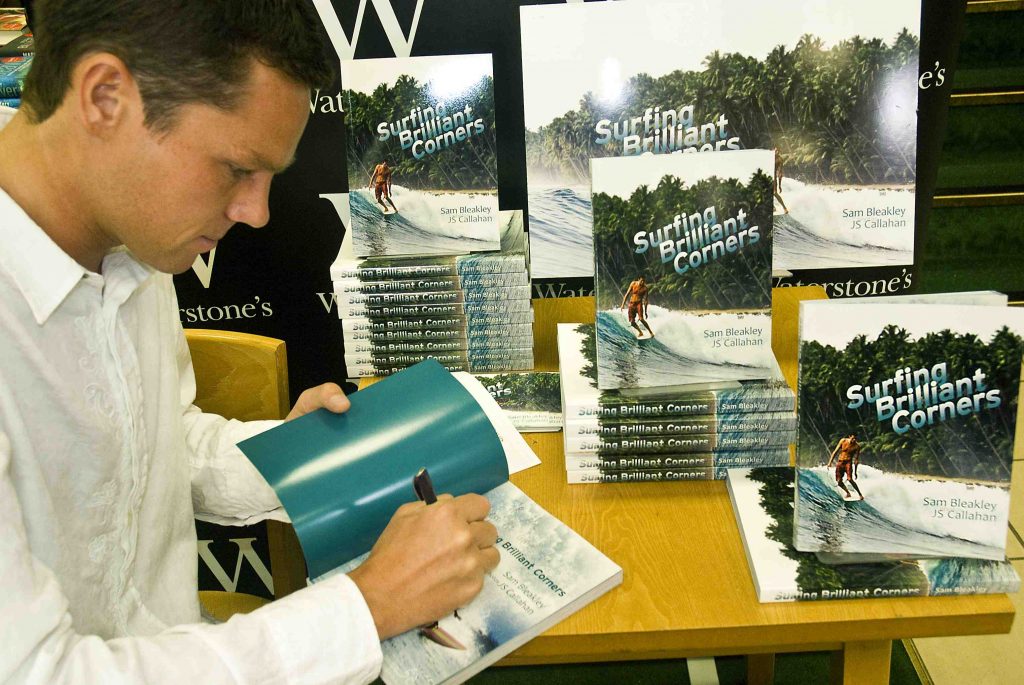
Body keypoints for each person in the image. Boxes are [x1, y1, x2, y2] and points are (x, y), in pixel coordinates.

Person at [0, 2, 497, 683]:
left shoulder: (132, 233)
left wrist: (292, 458)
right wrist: (367, 605)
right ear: (105, 97)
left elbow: (155, 441)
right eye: (237, 168)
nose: (255, 213)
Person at [826, 434, 864, 500]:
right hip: (840, 462)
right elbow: (835, 452)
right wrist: (830, 462)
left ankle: (860, 495)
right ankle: (848, 493)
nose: (854, 440)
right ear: (849, 436)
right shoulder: (843, 441)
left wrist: (855, 472)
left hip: (848, 463)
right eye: (853, 438)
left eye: (855, 439)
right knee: (839, 481)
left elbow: (856, 461)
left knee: (850, 479)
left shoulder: (857, 446)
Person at [773, 147, 789, 215]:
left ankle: (785, 208)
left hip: (773, 178)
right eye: (774, 150)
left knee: (774, 193)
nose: (775, 152)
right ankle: (773, 207)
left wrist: (779, 185)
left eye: (777, 151)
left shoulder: (779, 159)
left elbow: (780, 173)